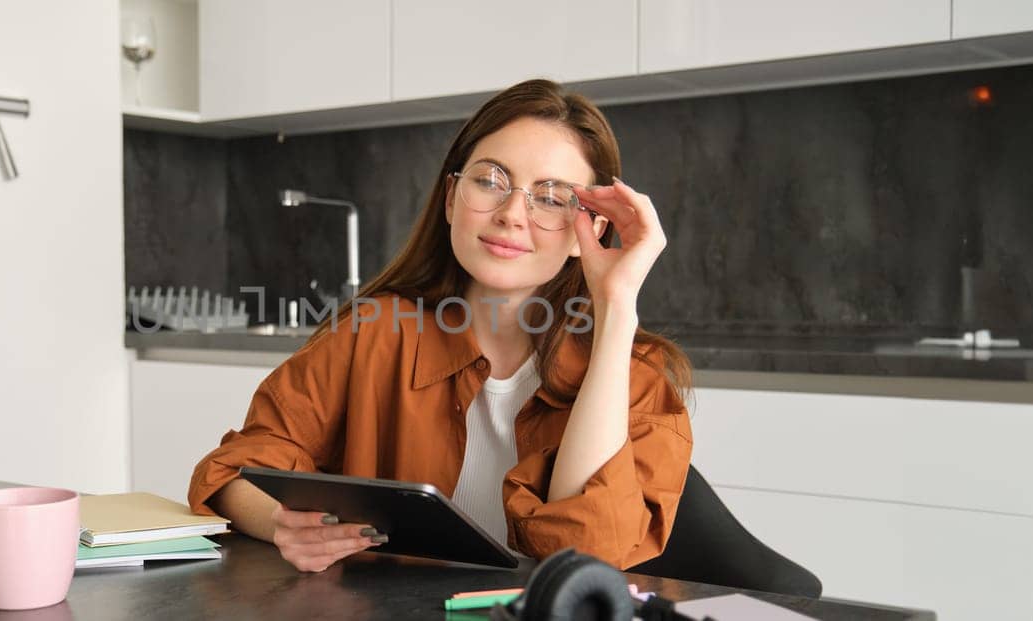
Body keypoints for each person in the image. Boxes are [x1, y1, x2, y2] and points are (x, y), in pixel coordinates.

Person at [187, 79, 694, 573]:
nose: (512, 214)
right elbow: (230, 470)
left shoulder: (638, 378)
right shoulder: (375, 332)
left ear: (591, 230)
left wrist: (616, 307)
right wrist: (282, 522)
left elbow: (586, 553)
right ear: (452, 198)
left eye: (553, 197)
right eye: (490, 181)